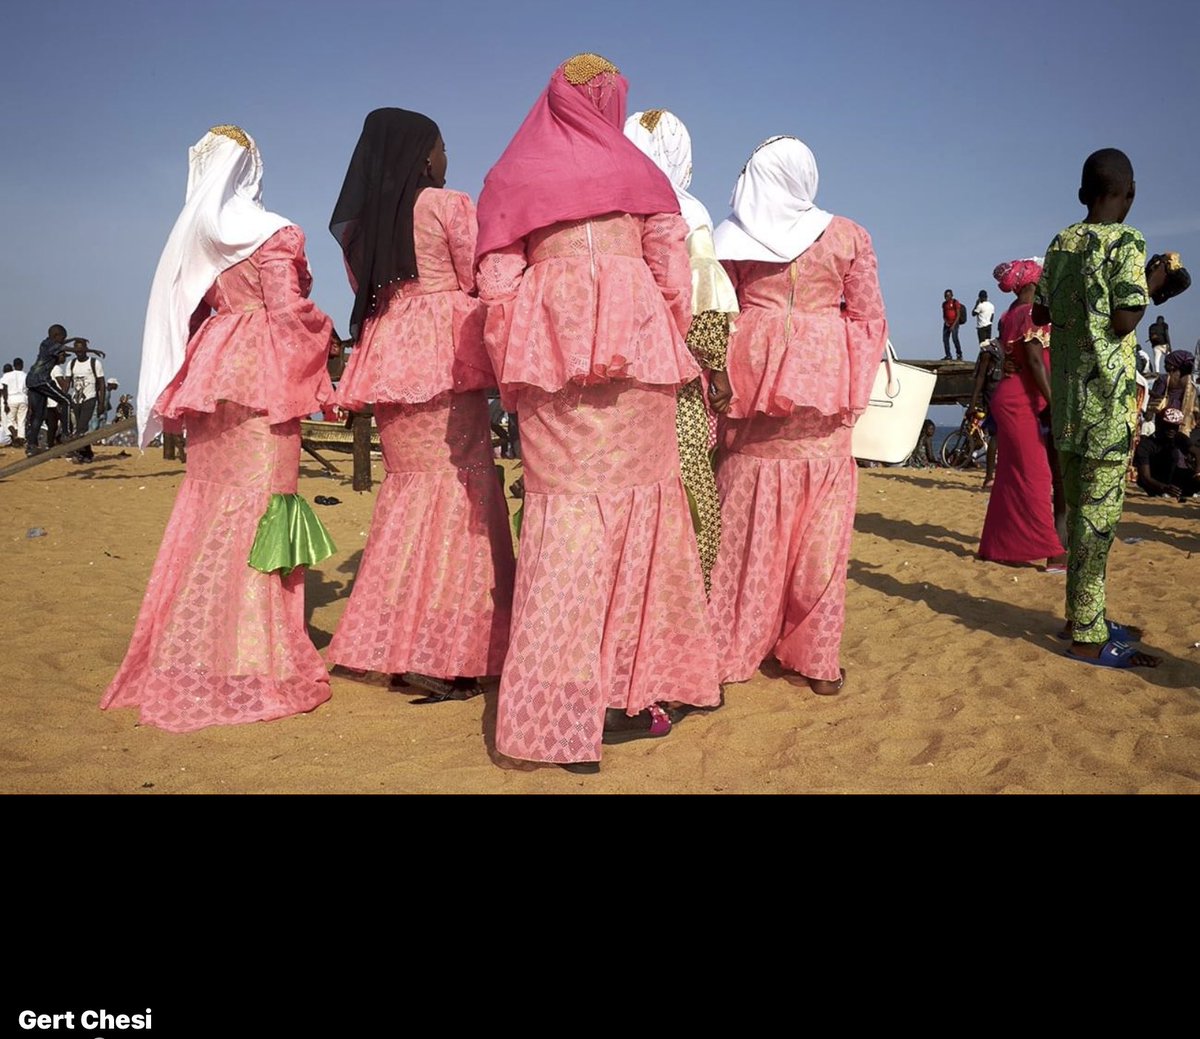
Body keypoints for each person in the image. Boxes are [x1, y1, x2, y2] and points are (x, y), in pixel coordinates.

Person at [475, 53, 721, 771]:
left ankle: (555, 708)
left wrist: (531, 343)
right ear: (611, 104)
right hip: (639, 368)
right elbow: (673, 282)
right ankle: (619, 694)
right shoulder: (642, 178)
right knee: (640, 519)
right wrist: (644, 328)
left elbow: (494, 287)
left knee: (564, 523)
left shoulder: (510, 177)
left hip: (549, 368)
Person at [102, 125, 337, 732]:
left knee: (210, 507)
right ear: (249, 169)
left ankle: (192, 644)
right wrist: (328, 341)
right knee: (263, 506)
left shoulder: (201, 238)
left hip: (215, 369)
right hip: (263, 374)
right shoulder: (275, 231)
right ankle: (250, 655)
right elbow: (287, 313)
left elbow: (193, 311)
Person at [325, 108, 515, 698]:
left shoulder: (373, 223)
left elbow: (368, 290)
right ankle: (449, 650)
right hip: (441, 351)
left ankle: (397, 643)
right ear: (421, 155)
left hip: (389, 354)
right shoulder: (445, 204)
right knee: (462, 491)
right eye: (440, 146)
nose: (445, 158)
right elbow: (473, 275)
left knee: (408, 493)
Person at [710, 135, 888, 695]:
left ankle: (732, 647)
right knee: (822, 535)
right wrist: (851, 384)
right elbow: (867, 320)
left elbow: (715, 314)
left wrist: (721, 373)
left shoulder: (730, 237)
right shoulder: (848, 235)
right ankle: (815, 660)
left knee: (746, 527)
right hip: (824, 391)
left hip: (751, 384)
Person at [1032, 147, 1170, 669]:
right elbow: (1125, 318)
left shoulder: (1061, 240)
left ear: (1081, 194)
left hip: (1067, 399)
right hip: (1107, 401)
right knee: (1099, 520)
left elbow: (1041, 310)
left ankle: (1081, 614)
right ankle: (1088, 636)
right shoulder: (1128, 240)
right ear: (1129, 195)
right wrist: (1155, 283)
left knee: (1079, 514)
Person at [624, 107, 737, 594]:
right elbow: (703, 302)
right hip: (676, 379)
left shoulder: (611, 207)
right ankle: (689, 596)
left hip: (619, 375)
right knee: (689, 480)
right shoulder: (687, 213)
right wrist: (717, 370)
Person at [977, 259, 1066, 569]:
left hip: (1012, 399)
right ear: (1032, 284)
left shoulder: (1009, 314)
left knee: (1009, 479)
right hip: (1021, 404)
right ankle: (1054, 552)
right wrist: (1054, 402)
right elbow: (1034, 360)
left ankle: (996, 546)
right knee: (1036, 477)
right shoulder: (1030, 313)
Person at [24, 326, 83, 455]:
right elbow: (63, 347)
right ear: (56, 336)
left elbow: (60, 344)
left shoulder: (45, 343)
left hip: (31, 380)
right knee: (66, 400)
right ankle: (66, 434)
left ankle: (31, 446)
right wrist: (88, 350)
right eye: (63, 357)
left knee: (38, 416)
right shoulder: (54, 346)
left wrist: (73, 338)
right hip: (42, 379)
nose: (64, 359)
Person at [1134, 408, 1199, 499]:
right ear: (1159, 423)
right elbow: (1145, 477)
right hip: (1154, 483)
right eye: (1168, 425)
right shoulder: (1146, 445)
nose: (1171, 430)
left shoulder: (1178, 437)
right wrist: (1164, 488)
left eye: (1175, 427)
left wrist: (1197, 472)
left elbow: (1197, 452)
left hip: (1172, 478)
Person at [65, 340, 105, 461]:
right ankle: (87, 453)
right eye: (76, 349)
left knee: (82, 427)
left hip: (90, 398)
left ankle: (78, 451)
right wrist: (62, 398)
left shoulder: (94, 363)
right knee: (80, 427)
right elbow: (67, 383)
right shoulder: (71, 364)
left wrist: (101, 403)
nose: (79, 352)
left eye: (81, 349)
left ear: (86, 349)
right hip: (75, 400)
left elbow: (102, 384)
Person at [1147, 350, 1196, 435]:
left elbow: (1154, 400)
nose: (1164, 366)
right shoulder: (1191, 382)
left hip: (1164, 421)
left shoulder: (1163, 379)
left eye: (1167, 363)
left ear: (1173, 366)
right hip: (1182, 422)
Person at [0, 358, 27, 446]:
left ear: (14, 365)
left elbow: (4, 389)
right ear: (22, 365)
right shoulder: (25, 375)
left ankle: (15, 436)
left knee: (9, 421)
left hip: (11, 399)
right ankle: (21, 439)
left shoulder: (8, 375)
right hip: (23, 398)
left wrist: (5, 403)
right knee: (21, 421)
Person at [942, 288, 964, 360]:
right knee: (945, 339)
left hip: (954, 323)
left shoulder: (955, 302)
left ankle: (959, 354)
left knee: (955, 339)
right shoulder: (944, 304)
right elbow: (944, 314)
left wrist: (953, 325)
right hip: (947, 323)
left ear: (951, 295)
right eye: (946, 296)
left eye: (948, 296)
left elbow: (958, 315)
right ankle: (948, 355)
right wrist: (946, 322)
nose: (947, 297)